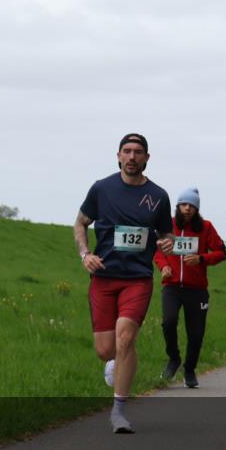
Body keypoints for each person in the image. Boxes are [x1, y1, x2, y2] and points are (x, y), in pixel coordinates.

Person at [74, 133, 174, 433]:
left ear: (147, 158)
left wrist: (167, 243)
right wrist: (85, 254)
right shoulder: (101, 188)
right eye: (127, 151)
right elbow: (80, 222)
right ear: (118, 156)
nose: (132, 157)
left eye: (138, 152)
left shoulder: (158, 195)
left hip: (137, 278)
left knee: (126, 337)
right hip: (103, 276)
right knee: (106, 349)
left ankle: (118, 411)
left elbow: (166, 234)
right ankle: (115, 361)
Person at [152, 188, 226, 388]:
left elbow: (222, 253)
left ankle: (189, 370)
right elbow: (157, 250)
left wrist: (201, 258)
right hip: (172, 286)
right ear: (177, 205)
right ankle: (174, 358)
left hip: (197, 289)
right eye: (184, 204)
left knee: (196, 333)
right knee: (168, 322)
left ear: (197, 209)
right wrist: (164, 266)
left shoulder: (205, 227)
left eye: (192, 206)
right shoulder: (166, 225)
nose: (187, 209)